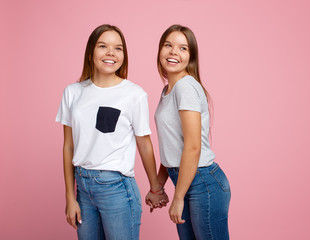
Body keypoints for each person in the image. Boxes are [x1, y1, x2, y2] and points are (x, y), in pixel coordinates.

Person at [56, 24, 168, 240]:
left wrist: (155, 187)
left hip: (116, 188)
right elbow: (68, 146)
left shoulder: (134, 94)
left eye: (118, 48)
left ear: (124, 56)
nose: (111, 53)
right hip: (83, 187)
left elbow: (144, 143)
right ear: (90, 52)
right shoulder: (72, 92)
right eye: (103, 46)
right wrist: (70, 197)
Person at [153, 24, 231, 239]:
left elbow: (193, 146)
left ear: (191, 56)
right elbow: (172, 146)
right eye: (168, 45)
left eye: (183, 48)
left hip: (202, 181)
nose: (173, 52)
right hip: (185, 179)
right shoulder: (168, 89)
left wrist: (178, 198)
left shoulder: (185, 87)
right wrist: (158, 186)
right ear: (160, 49)